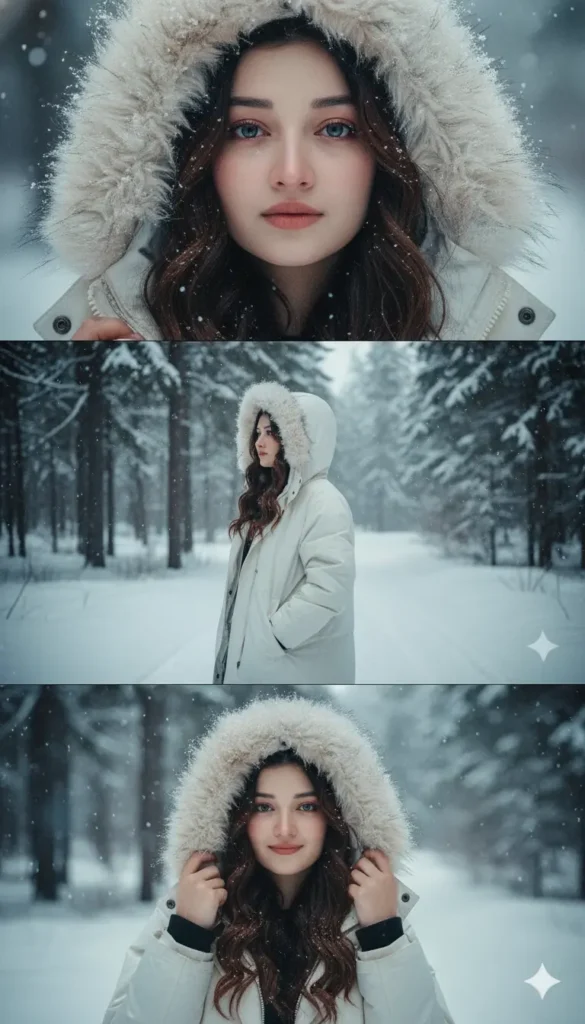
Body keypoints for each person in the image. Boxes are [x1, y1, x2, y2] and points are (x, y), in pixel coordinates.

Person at [33, 1, 555, 342]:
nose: (290, 174)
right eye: (248, 130)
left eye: (334, 129)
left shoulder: (482, 331)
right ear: (190, 155)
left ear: (391, 152)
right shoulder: (110, 332)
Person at [101, 696, 456, 1024]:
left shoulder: (374, 918)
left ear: (335, 817)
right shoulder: (187, 913)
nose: (284, 829)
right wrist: (188, 935)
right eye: (264, 807)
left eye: (306, 806)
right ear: (236, 816)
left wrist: (382, 935)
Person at [213, 379, 355, 684]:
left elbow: (331, 585)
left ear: (298, 440)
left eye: (271, 433)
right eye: (257, 433)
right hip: (253, 662)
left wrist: (275, 636)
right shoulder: (266, 502)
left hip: (292, 666)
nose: (259, 442)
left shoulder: (321, 500)